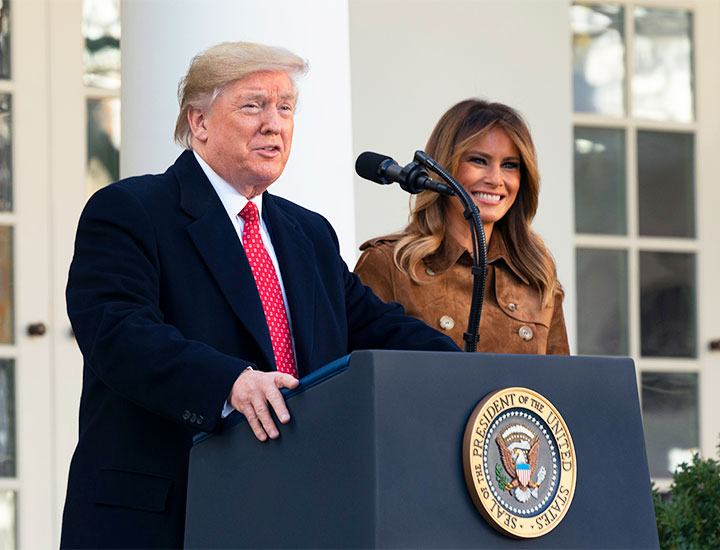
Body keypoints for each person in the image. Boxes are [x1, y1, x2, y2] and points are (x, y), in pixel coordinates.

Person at [60, 41, 459, 550]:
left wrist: (470, 374)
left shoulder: (307, 233)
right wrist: (230, 382)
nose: (275, 123)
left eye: (286, 107)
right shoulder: (130, 210)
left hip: (287, 512)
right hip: (164, 517)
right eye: (253, 105)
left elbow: (376, 326)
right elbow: (119, 334)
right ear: (199, 122)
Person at [355, 99, 569, 354]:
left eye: (510, 165)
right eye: (479, 160)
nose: (495, 179)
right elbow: (361, 381)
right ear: (444, 166)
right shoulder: (391, 264)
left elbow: (561, 386)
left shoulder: (535, 270)